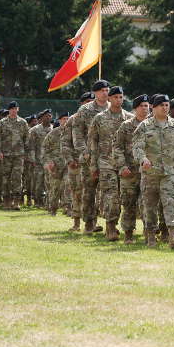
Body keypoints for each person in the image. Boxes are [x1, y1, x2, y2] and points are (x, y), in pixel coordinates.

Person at [132, 94, 174, 249]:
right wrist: (143, 159)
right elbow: (137, 147)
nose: (165, 107)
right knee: (150, 206)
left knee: (171, 204)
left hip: (170, 173)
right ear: (153, 107)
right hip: (150, 174)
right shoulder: (144, 126)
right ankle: (150, 236)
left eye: (167, 105)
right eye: (161, 105)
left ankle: (173, 237)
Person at [88, 86, 132, 241]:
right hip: (106, 163)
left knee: (125, 197)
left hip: (124, 165)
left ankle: (126, 227)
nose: (119, 100)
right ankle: (111, 227)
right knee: (111, 197)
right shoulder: (99, 118)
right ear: (109, 99)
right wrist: (93, 165)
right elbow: (93, 142)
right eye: (115, 97)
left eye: (121, 97)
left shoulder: (129, 118)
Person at [73, 80, 110, 234]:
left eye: (107, 90)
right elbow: (77, 133)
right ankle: (89, 223)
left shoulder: (112, 108)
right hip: (90, 158)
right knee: (89, 192)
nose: (105, 93)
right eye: (102, 90)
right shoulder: (85, 110)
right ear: (95, 92)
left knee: (109, 192)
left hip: (109, 158)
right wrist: (85, 151)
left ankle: (110, 225)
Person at [114, 94, 150, 245]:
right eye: (142, 105)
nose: (145, 108)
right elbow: (117, 147)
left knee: (148, 203)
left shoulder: (152, 125)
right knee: (128, 203)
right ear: (135, 109)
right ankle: (128, 234)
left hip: (148, 172)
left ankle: (149, 233)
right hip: (130, 172)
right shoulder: (126, 126)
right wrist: (122, 166)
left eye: (147, 105)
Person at [62, 93, 93, 231]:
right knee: (77, 192)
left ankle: (92, 222)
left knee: (92, 193)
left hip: (92, 162)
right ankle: (76, 223)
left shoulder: (99, 118)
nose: (90, 103)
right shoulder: (73, 120)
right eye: (87, 101)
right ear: (81, 104)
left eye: (92, 101)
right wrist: (69, 160)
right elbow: (65, 142)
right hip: (76, 162)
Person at [0, 101, 29, 210]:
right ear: (9, 110)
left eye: (15, 108)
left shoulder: (23, 122)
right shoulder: (2, 122)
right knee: (5, 177)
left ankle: (16, 201)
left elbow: (26, 139)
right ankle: (6, 200)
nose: (14, 110)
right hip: (6, 155)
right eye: (12, 109)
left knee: (17, 177)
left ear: (18, 109)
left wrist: (26, 152)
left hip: (18, 155)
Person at [42, 113, 69, 216]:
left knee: (67, 185)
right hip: (56, 166)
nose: (66, 121)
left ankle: (67, 208)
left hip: (68, 164)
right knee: (55, 188)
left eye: (67, 119)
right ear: (60, 120)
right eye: (64, 119)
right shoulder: (53, 133)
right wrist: (49, 161)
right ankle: (53, 209)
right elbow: (45, 148)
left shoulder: (72, 133)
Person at [27, 109, 53, 208]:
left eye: (50, 116)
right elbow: (31, 146)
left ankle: (48, 202)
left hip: (50, 161)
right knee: (38, 182)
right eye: (46, 116)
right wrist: (32, 159)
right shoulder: (34, 130)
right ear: (41, 118)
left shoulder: (53, 129)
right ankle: (38, 201)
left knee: (50, 182)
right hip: (38, 160)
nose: (48, 117)